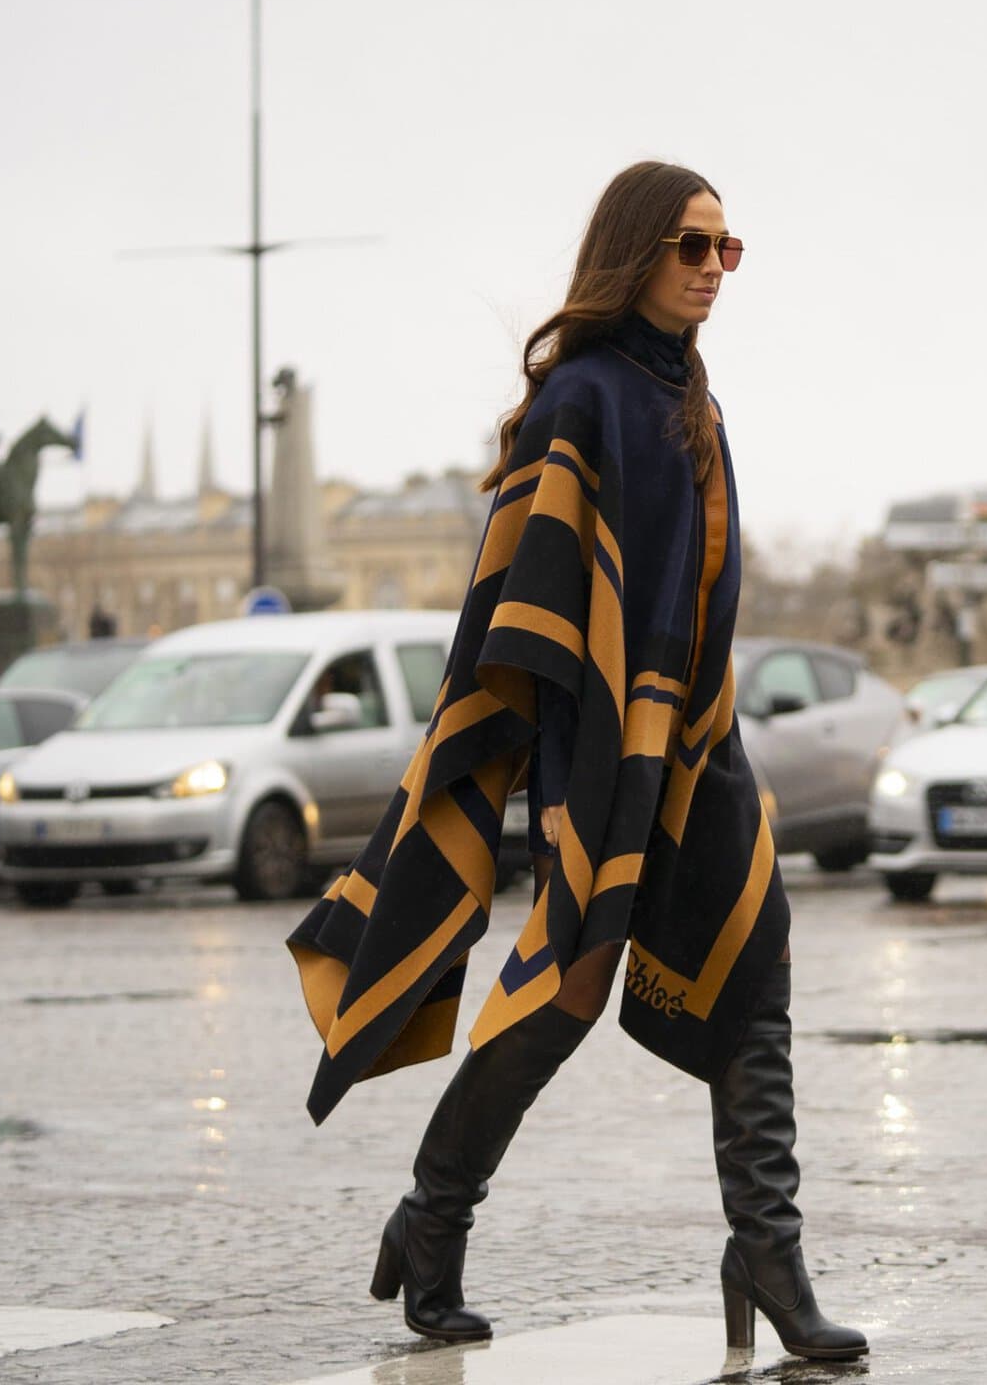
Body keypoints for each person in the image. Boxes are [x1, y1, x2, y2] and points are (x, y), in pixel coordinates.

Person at [286, 161, 865, 1363]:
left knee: (756, 969)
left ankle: (768, 1246)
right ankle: (433, 1217)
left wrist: (698, 719)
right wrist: (570, 764)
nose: (714, 269)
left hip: (703, 741)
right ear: (637, 252)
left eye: (728, 249)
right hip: (604, 747)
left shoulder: (696, 398)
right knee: (566, 992)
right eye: (693, 247)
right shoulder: (583, 401)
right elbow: (524, 599)